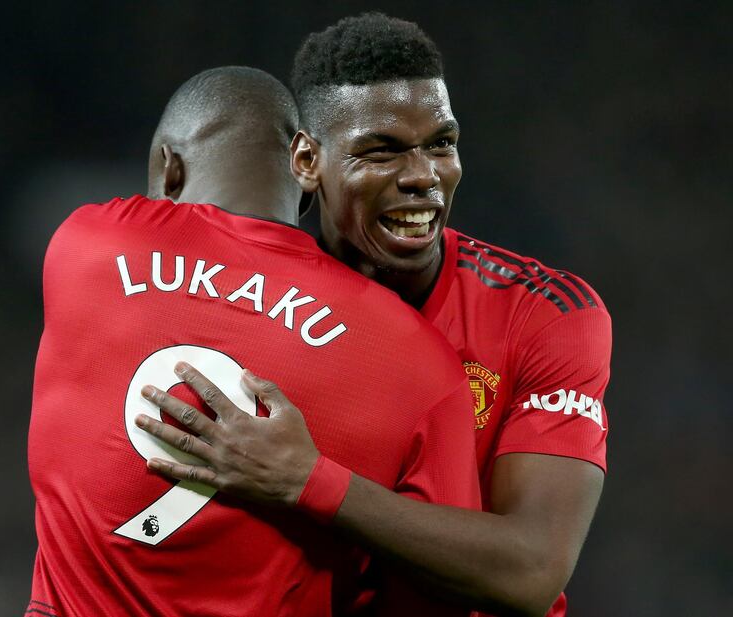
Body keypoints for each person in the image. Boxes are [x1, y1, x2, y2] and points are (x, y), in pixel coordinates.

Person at [137, 14, 611, 617]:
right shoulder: (250, 301)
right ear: (306, 159)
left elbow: (532, 571)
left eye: (441, 143)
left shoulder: (543, 313)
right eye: (382, 151)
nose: (422, 177)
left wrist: (309, 480)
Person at [26, 66, 481, 617]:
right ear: (303, 188)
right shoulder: (417, 357)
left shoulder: (86, 246)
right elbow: (453, 587)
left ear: (168, 170)